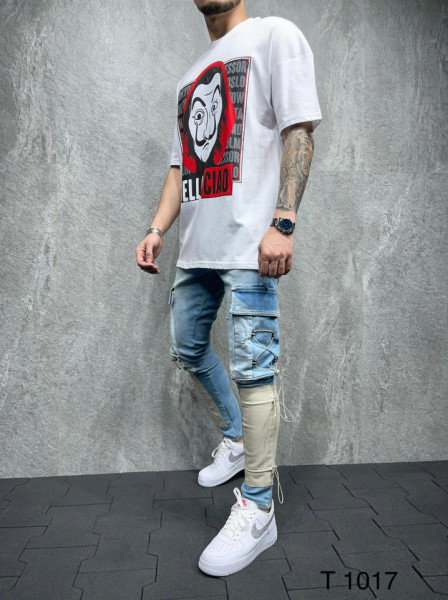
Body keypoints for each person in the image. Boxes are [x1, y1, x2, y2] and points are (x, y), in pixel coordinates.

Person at [136, 0, 322, 577]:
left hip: (250, 247)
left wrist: (283, 222)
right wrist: (156, 230)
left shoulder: (274, 36)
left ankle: (259, 508)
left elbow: (299, 130)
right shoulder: (190, 76)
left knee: (253, 368)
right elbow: (180, 167)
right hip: (197, 247)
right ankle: (238, 437)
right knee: (188, 346)